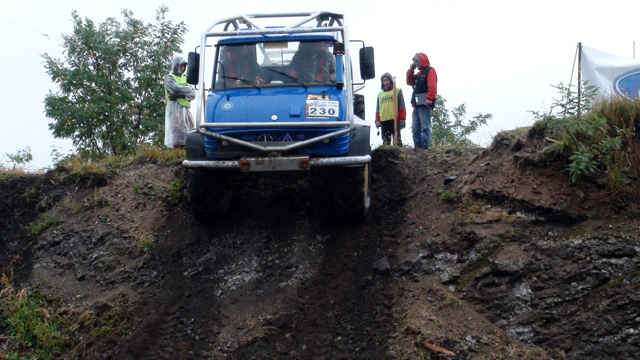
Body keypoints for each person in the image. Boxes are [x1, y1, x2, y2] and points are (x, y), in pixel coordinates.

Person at [406, 53, 438, 149]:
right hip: (417, 103)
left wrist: (429, 98)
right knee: (415, 128)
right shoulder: (419, 74)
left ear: (421, 61)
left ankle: (425, 148)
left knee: (425, 127)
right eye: (414, 62)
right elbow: (409, 81)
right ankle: (417, 147)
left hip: (424, 103)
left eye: (416, 61)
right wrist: (411, 70)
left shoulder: (430, 70)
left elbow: (432, 86)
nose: (415, 63)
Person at [164, 56, 197, 149]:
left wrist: (181, 95)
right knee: (177, 132)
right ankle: (178, 152)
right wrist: (187, 90)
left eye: (183, 66)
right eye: (180, 66)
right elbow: (175, 89)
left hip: (186, 107)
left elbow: (193, 94)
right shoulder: (170, 78)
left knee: (190, 131)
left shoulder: (186, 78)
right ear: (175, 66)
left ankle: (187, 152)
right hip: (175, 107)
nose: (182, 68)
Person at [375, 72, 406, 146]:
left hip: (395, 119)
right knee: (386, 140)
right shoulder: (380, 94)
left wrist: (402, 119)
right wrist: (377, 120)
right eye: (384, 81)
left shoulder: (397, 91)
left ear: (391, 81)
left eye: (387, 80)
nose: (385, 82)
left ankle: (399, 154)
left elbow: (402, 105)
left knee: (397, 139)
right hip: (384, 120)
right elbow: (378, 109)